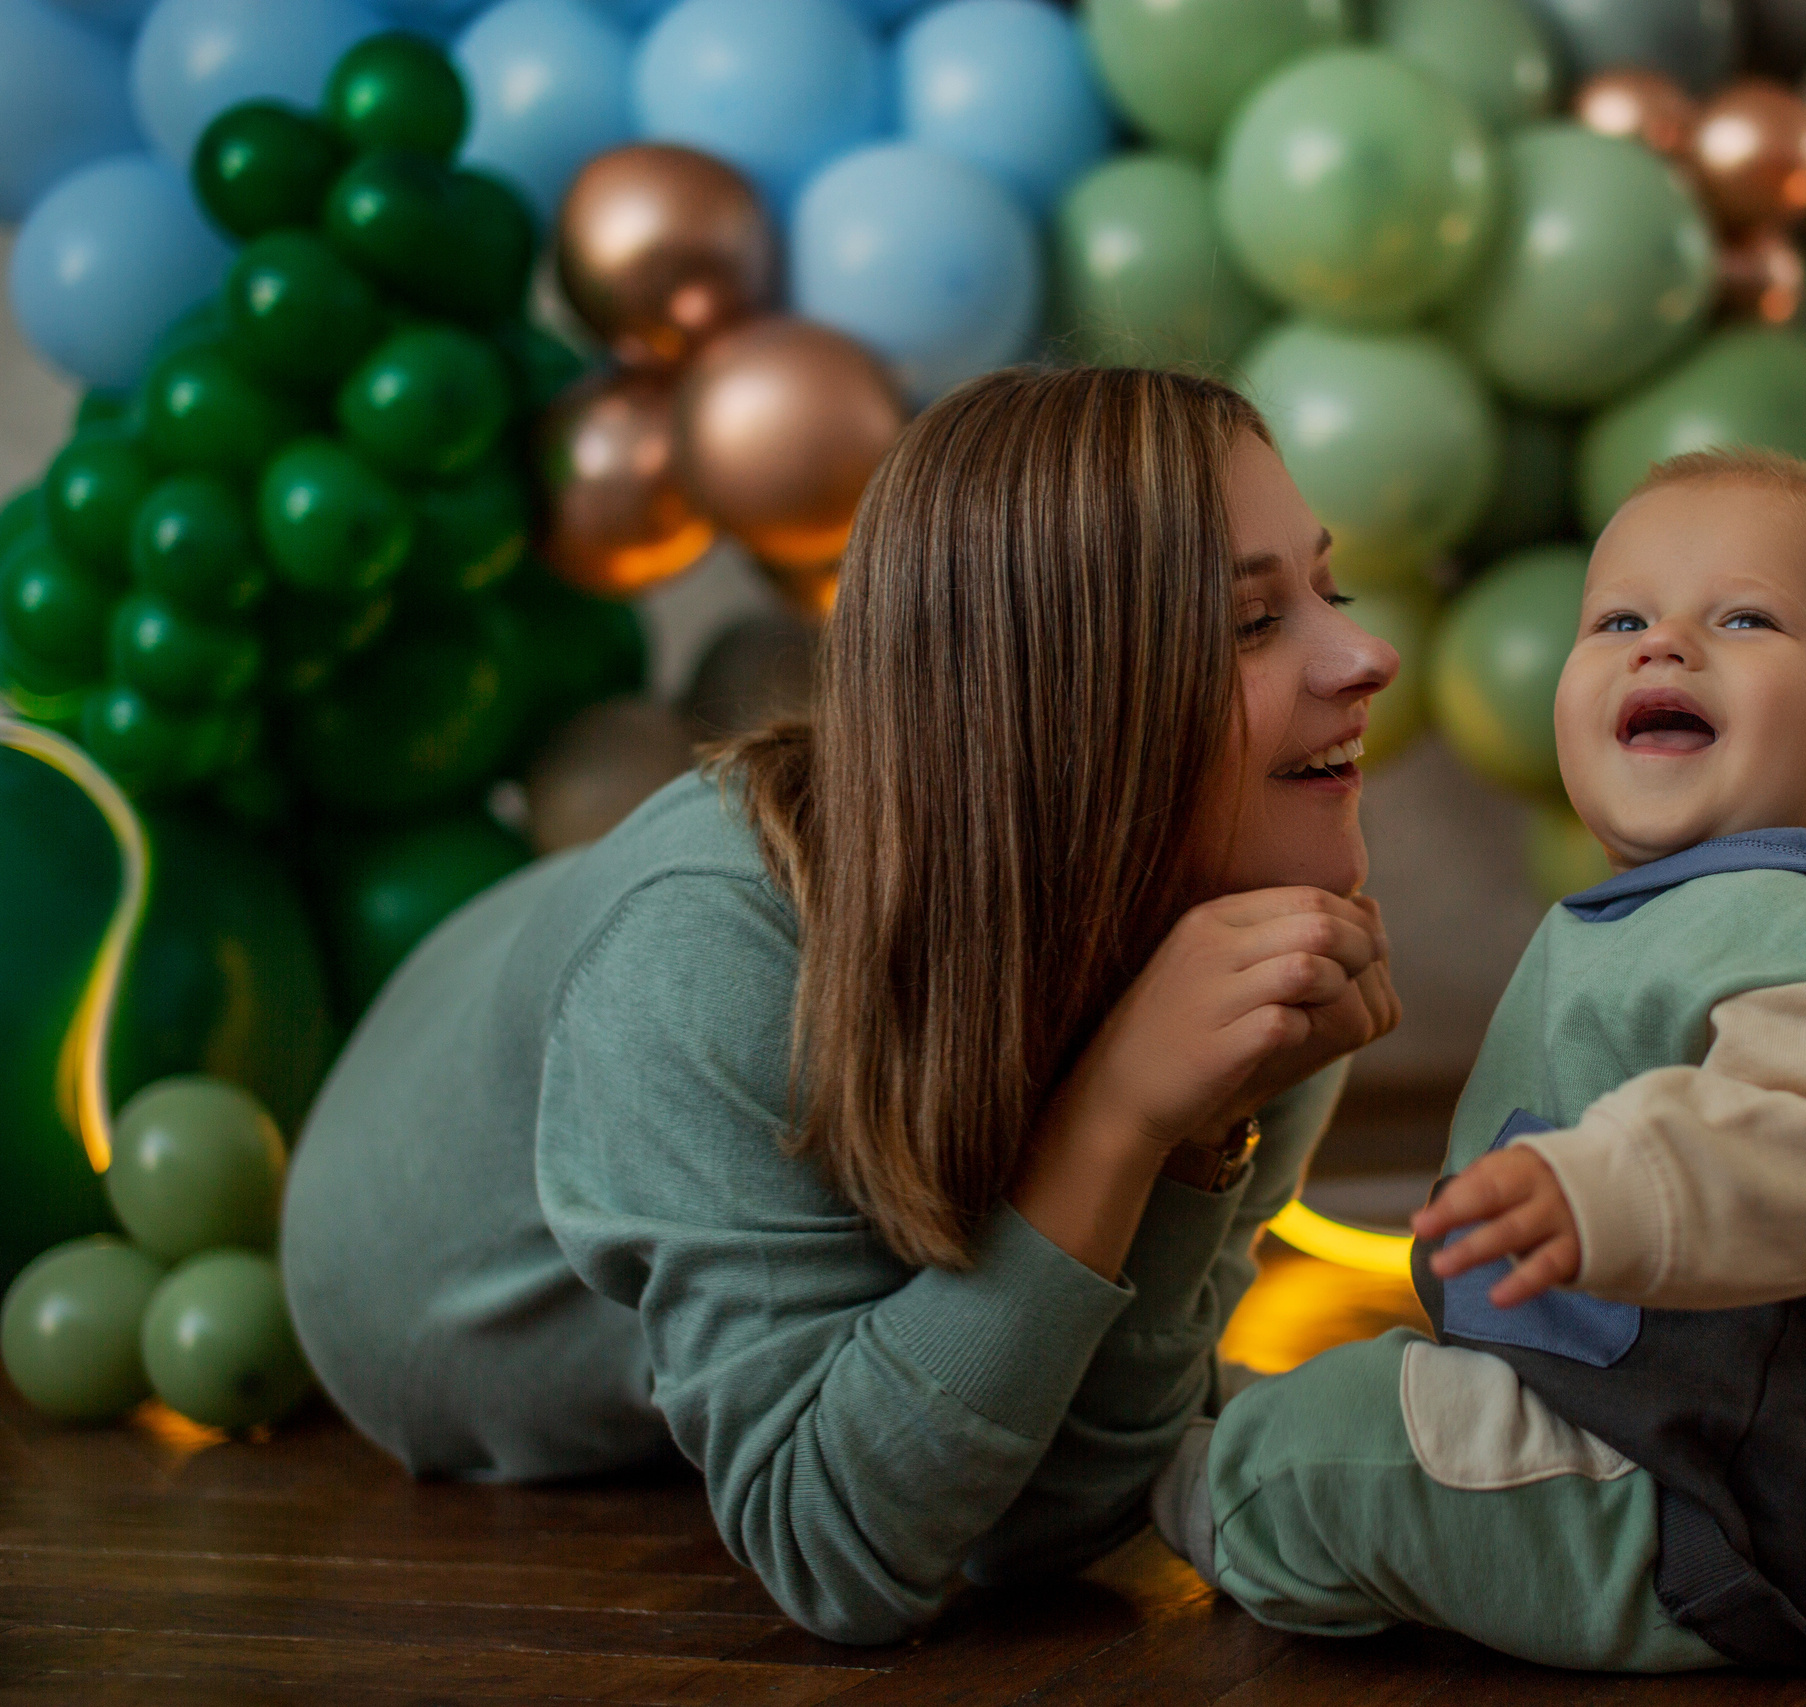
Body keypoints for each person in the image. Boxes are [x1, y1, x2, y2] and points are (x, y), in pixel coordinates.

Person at [279, 366, 1403, 1645]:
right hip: (419, 1249)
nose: (1368, 654)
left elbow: (1051, 1522)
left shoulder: (1260, 947)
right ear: (1052, 706)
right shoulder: (703, 955)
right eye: (1252, 622)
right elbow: (842, 1558)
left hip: (614, 967)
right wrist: (1118, 1121)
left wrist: (1197, 1140)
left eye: (1329, 589)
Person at [1153, 449, 1806, 1671]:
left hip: (1700, 1511)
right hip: (1666, 1449)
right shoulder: (1688, 910)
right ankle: (1222, 1435)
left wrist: (1613, 1187)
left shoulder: (1801, 923)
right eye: (1617, 618)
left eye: (1743, 618)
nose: (1661, 647)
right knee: (1364, 1404)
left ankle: (1167, 1486)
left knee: (1314, 1455)